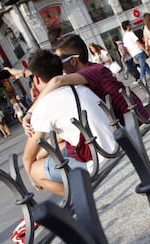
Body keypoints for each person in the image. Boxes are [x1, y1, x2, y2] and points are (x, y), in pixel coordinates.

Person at [6, 34, 150, 135]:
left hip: (137, 123)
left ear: (73, 61)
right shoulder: (89, 71)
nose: (59, 67)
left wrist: (30, 113)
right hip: (128, 122)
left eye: (60, 62)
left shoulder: (94, 71)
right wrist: (22, 72)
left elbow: (56, 81)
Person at [22, 49, 117, 196]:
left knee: (34, 169)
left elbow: (28, 157)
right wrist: (42, 154)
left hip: (99, 163)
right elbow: (61, 138)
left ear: (36, 79)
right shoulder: (80, 86)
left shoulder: (44, 106)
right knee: (56, 147)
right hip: (117, 145)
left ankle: (82, 197)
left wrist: (32, 178)